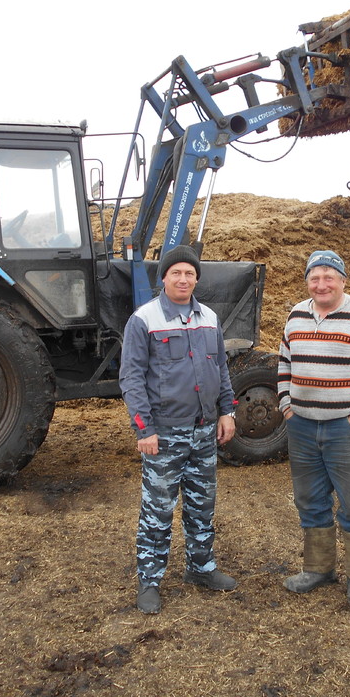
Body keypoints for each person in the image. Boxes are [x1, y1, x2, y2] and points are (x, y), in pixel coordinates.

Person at [120, 245, 238, 614]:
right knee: (157, 510)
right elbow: (132, 377)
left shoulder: (209, 318)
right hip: (165, 435)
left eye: (189, 273)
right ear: (165, 278)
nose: (183, 279)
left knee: (202, 505)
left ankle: (201, 568)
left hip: (204, 432)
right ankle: (149, 581)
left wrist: (227, 411)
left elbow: (220, 367)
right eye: (176, 273)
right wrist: (145, 430)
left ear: (197, 278)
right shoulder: (145, 319)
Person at [278, 249, 350, 610]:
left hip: (346, 430)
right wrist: (286, 405)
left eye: (329, 276)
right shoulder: (297, 315)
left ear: (343, 280)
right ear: (307, 282)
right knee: (310, 500)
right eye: (315, 277)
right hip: (301, 428)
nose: (321, 284)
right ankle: (318, 569)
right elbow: (284, 362)